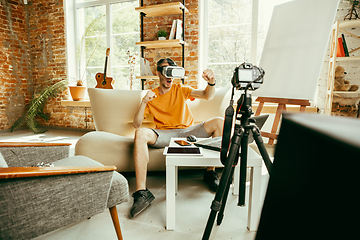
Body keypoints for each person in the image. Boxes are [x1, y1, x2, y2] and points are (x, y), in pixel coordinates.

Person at [131, 58, 224, 218]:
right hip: (165, 135)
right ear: (157, 73)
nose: (170, 76)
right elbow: (136, 124)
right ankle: (141, 192)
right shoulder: (152, 96)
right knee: (140, 133)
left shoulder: (180, 89)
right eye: (166, 71)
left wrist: (211, 82)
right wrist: (144, 101)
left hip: (188, 131)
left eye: (173, 72)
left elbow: (207, 96)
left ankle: (210, 173)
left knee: (219, 122)